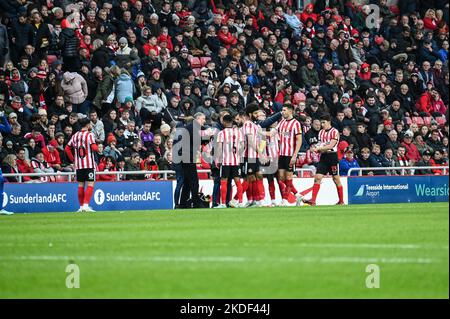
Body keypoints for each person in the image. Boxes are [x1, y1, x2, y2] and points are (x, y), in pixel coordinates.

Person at [304, 114, 345, 206]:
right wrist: (314, 148)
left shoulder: (335, 132)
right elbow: (320, 144)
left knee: (336, 179)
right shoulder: (321, 132)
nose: (322, 124)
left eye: (323, 122)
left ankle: (341, 201)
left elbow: (331, 146)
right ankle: (313, 201)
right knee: (317, 177)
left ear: (329, 122)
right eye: (321, 122)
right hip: (323, 157)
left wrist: (318, 149)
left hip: (332, 157)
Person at [64, 118, 99, 213]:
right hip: (89, 164)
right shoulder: (89, 134)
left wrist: (73, 160)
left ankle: (81, 206)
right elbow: (93, 147)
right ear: (87, 125)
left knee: (80, 185)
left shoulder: (75, 135)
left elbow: (67, 148)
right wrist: (99, 148)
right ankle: (86, 205)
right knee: (90, 183)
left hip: (79, 165)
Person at [214, 114, 244, 209]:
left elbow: (219, 148)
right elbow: (242, 146)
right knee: (238, 181)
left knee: (224, 181)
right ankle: (240, 202)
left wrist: (217, 160)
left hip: (226, 161)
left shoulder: (221, 133)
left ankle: (223, 203)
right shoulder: (239, 132)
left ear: (225, 122)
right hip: (236, 161)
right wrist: (238, 155)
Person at [277, 103, 303, 206]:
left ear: (290, 111)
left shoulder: (296, 123)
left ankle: (285, 200)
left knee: (288, 178)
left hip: (290, 154)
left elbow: (299, 140)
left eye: (284, 110)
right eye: (282, 110)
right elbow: (274, 132)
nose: (282, 112)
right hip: (282, 154)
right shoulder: (282, 122)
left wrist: (294, 155)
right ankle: (297, 195)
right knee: (281, 178)